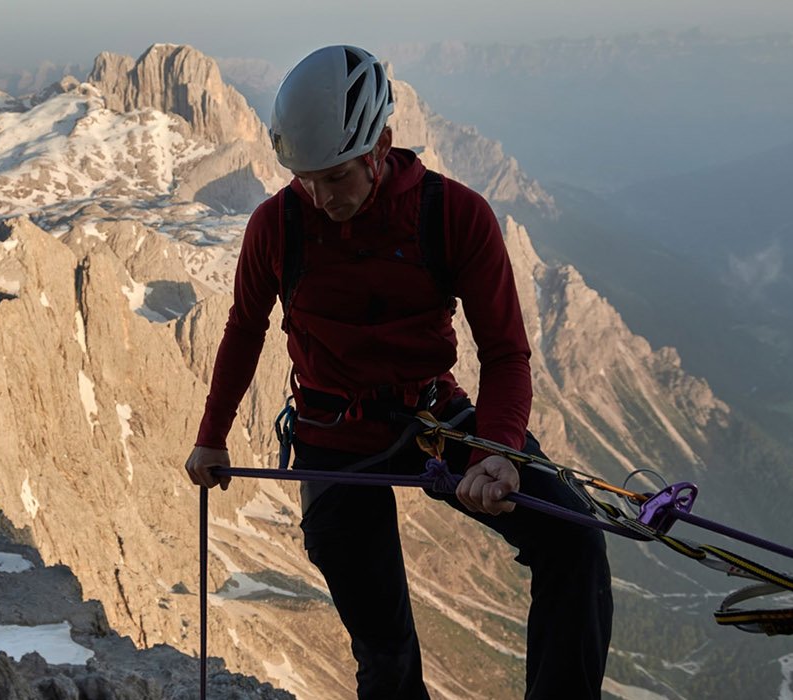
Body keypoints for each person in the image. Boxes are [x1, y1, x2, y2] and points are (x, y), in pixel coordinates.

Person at [184, 45, 613, 699]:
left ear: (380, 145)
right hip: (331, 436)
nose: (322, 197)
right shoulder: (278, 226)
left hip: (434, 418)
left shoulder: (453, 214)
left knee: (574, 544)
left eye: (337, 177)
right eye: (306, 178)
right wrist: (212, 434)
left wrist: (498, 452)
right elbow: (244, 328)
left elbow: (504, 354)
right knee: (386, 650)